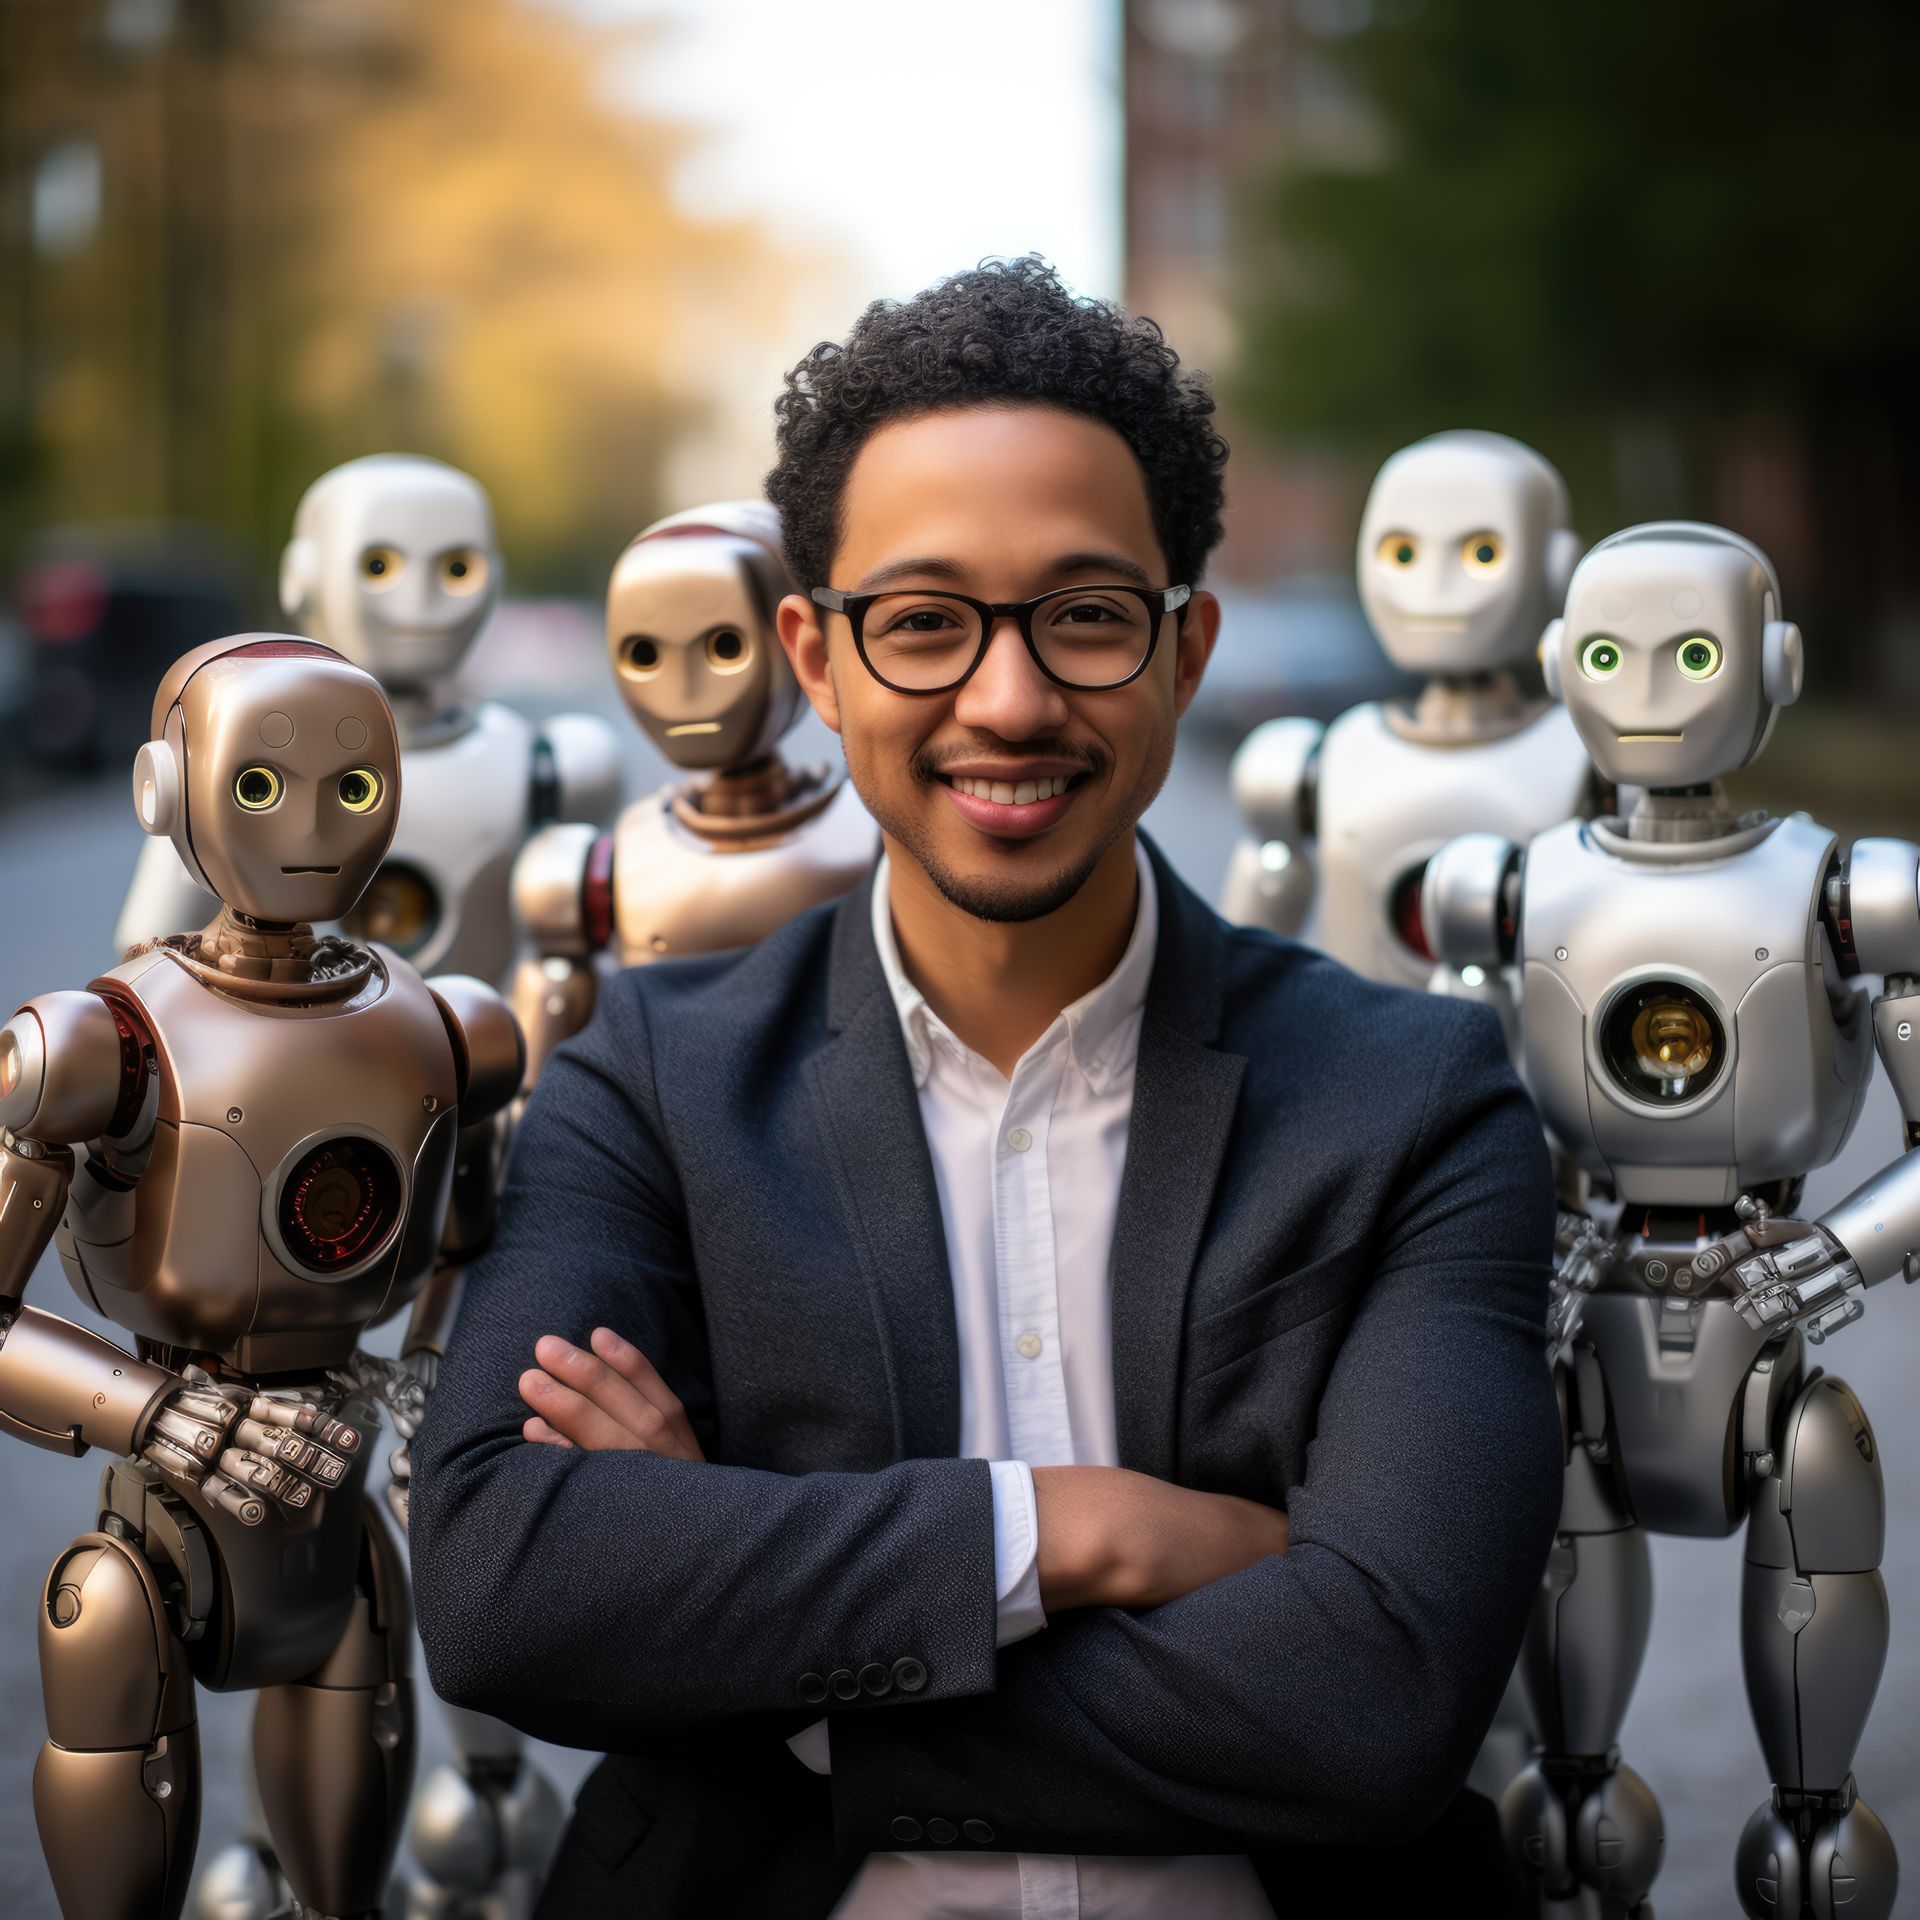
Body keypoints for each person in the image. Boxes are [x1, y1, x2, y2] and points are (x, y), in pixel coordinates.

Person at [409, 256, 1561, 1918]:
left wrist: (773, 1653)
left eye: (1086, 616)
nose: (1008, 701)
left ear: (1185, 652)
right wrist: (1082, 1530)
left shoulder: (1412, 1102)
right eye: (925, 622)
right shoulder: (650, 1082)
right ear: (815, 657)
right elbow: (508, 1587)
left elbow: (1376, 1699)